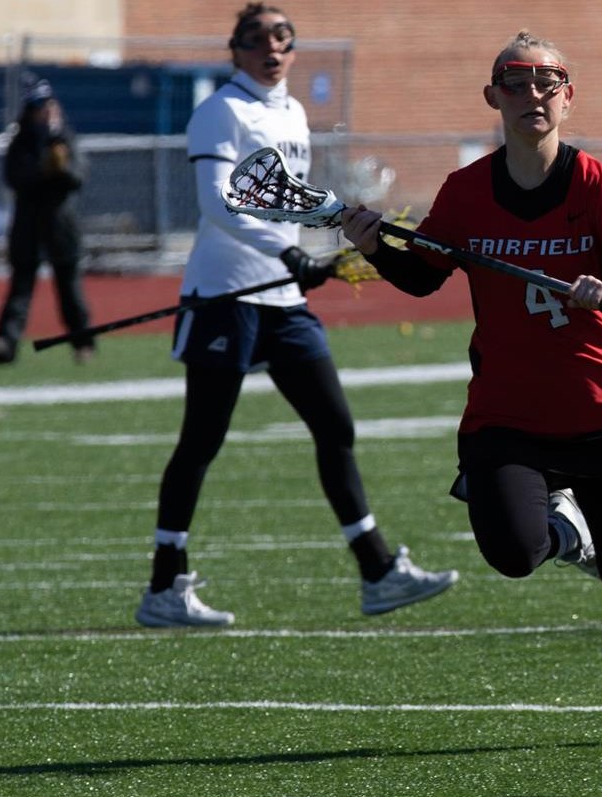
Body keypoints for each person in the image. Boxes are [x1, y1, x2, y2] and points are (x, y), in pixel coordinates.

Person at [331, 31, 602, 746]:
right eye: (516, 84)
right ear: (493, 97)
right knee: (513, 554)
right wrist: (373, 247)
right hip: (506, 415)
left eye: (548, 84)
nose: (532, 96)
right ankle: (562, 529)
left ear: (568, 98)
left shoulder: (596, 184)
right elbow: (423, 275)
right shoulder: (465, 192)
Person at [135, 2, 458, 628]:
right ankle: (164, 588)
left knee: (335, 427)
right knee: (201, 441)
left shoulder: (293, 112)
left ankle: (377, 572)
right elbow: (221, 202)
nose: (272, 48)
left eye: (283, 37)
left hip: (283, 299)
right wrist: (287, 251)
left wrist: (343, 225)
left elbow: (287, 200)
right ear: (236, 50)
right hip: (226, 294)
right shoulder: (221, 112)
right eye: (257, 39)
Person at [0, 78, 94, 365]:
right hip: (28, 223)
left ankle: (83, 342)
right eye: (39, 108)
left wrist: (62, 168)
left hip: (61, 223)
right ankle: (6, 343)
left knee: (69, 288)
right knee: (21, 287)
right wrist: (42, 170)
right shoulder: (22, 143)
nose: (46, 113)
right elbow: (14, 177)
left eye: (48, 106)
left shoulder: (66, 138)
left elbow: (78, 177)